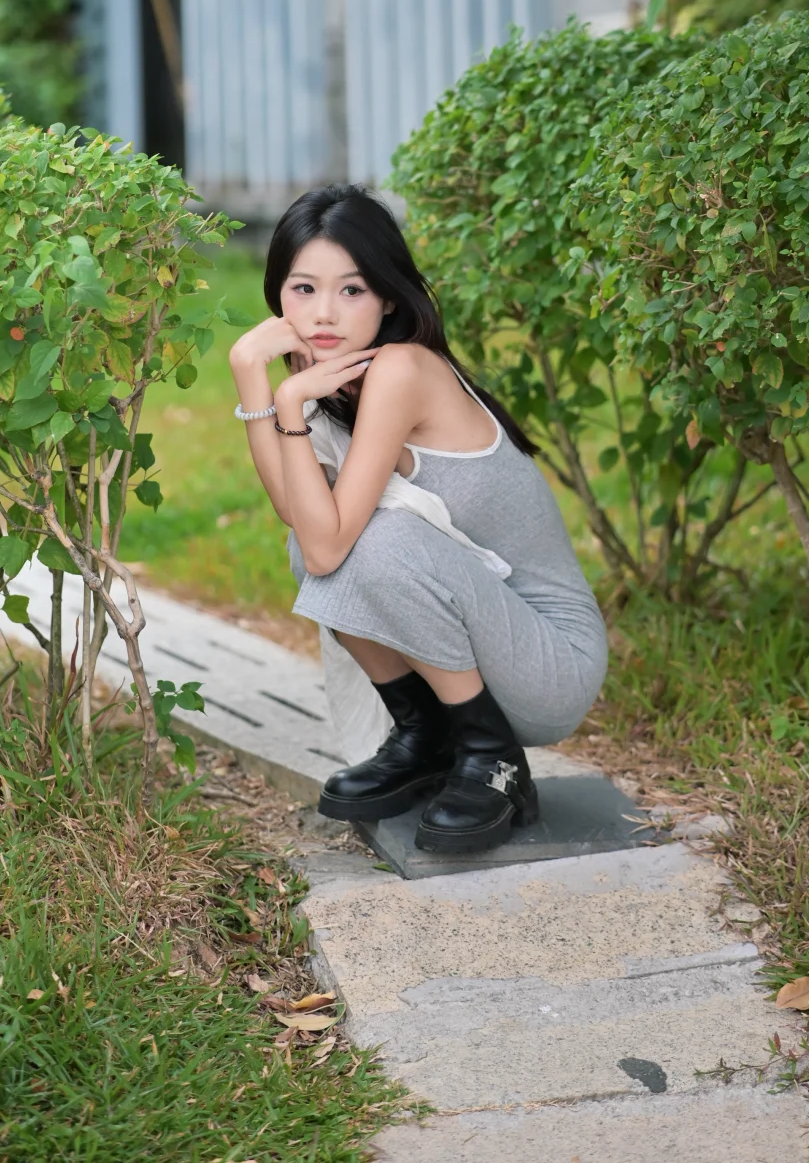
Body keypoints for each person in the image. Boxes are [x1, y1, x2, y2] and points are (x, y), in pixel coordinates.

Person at [228, 184, 608, 855]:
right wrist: (255, 379)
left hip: (552, 665)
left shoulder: (402, 369)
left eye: (351, 291)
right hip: (488, 651)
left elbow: (333, 548)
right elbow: (303, 522)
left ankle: (493, 758)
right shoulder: (327, 379)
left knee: (374, 541)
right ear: (277, 297)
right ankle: (428, 737)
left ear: (388, 297)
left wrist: (290, 407)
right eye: (303, 289)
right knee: (315, 539)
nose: (325, 313)